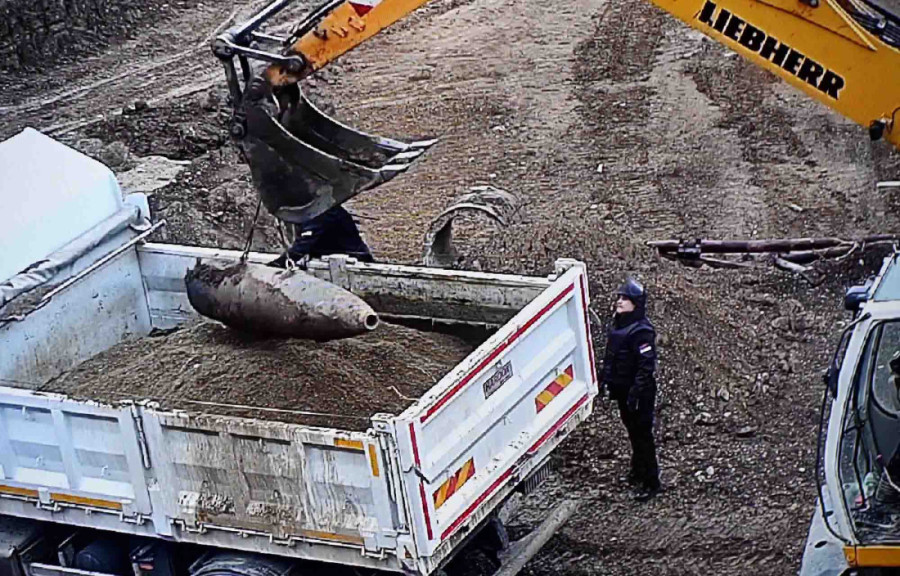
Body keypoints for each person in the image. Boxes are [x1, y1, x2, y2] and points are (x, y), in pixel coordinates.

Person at [600, 277, 661, 502]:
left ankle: (651, 482)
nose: (619, 301)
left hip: (638, 394)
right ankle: (637, 471)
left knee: (643, 435)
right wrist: (605, 380)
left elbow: (646, 367)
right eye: (619, 297)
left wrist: (636, 394)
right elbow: (613, 357)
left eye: (625, 298)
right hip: (623, 391)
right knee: (633, 433)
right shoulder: (620, 324)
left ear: (636, 303)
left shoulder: (641, 331)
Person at [269, 204, 374, 267]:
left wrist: (275, 266)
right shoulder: (314, 209)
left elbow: (300, 248)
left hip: (351, 261)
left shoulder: (322, 212)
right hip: (324, 258)